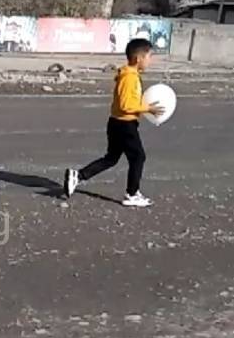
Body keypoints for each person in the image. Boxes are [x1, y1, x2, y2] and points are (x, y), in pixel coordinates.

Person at [63, 32, 164, 208]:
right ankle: (132, 195)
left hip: (118, 123)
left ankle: (77, 176)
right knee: (138, 157)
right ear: (138, 58)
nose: (150, 60)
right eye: (149, 56)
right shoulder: (129, 77)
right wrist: (148, 109)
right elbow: (126, 105)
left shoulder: (129, 75)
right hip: (125, 124)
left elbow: (128, 102)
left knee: (111, 158)